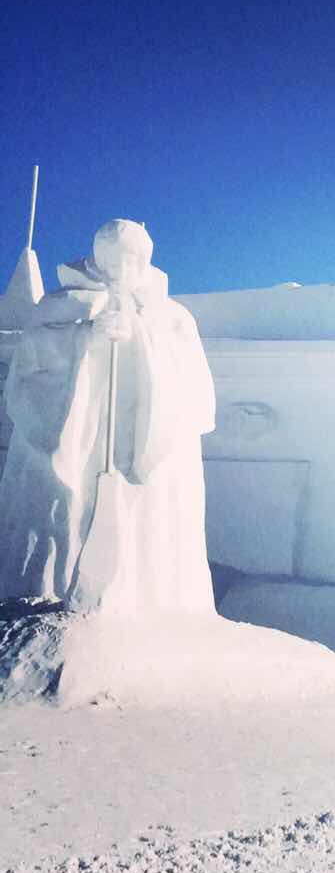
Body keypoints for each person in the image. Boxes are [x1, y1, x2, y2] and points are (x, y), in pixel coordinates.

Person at [0, 219, 215, 610]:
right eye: (111, 258)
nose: (121, 268)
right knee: (60, 515)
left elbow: (194, 392)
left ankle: (143, 598)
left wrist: (139, 336)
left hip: (139, 441)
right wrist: (86, 337)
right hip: (78, 432)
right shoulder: (60, 305)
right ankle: (44, 589)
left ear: (145, 259)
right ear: (96, 257)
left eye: (131, 259)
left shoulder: (174, 317)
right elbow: (29, 368)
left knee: (141, 527)